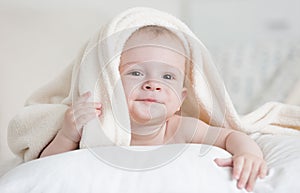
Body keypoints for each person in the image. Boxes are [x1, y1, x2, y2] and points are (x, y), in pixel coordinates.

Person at [39, 25, 267, 192]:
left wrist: (248, 154)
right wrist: (68, 134)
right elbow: (42, 167)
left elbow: (230, 137)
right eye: (136, 73)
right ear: (111, 83)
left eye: (167, 76)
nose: (153, 84)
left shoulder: (180, 129)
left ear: (181, 99)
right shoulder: (97, 124)